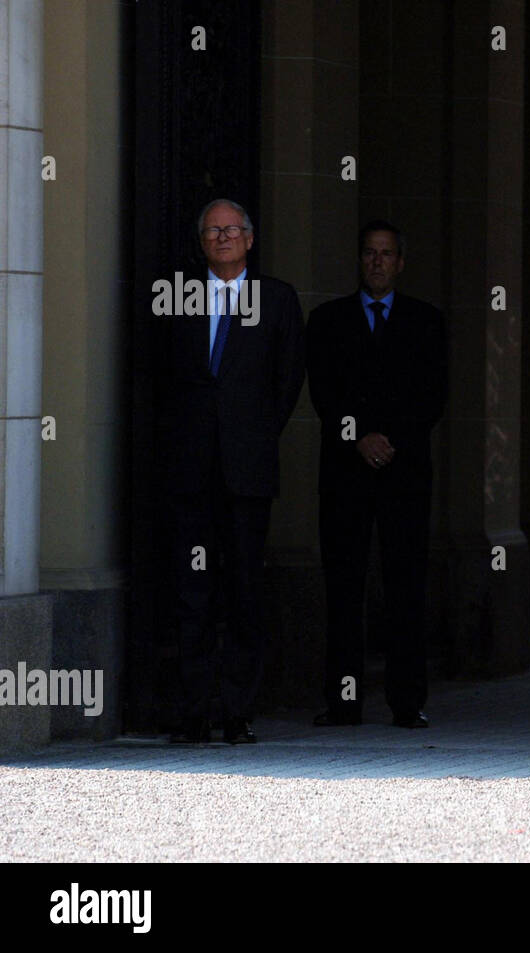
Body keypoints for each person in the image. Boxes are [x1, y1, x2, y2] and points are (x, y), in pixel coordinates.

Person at [163, 199, 306, 744]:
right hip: (189, 473)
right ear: (201, 241)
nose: (222, 238)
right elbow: (159, 378)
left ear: (250, 238)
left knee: (244, 590)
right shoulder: (177, 297)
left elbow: (289, 378)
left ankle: (238, 711)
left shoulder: (277, 299)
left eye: (231, 230)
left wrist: (252, 436)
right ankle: (194, 710)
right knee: (191, 590)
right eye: (212, 231)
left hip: (246, 472)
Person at [305, 221, 449, 729]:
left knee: (405, 585)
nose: (377, 262)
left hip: (404, 474)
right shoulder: (327, 321)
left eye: (387, 254)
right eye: (369, 253)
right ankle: (343, 702)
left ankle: (407, 704)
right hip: (345, 475)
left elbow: (434, 396)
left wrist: (392, 442)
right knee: (344, 585)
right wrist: (358, 438)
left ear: (401, 262)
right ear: (359, 259)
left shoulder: (427, 322)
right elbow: (323, 393)